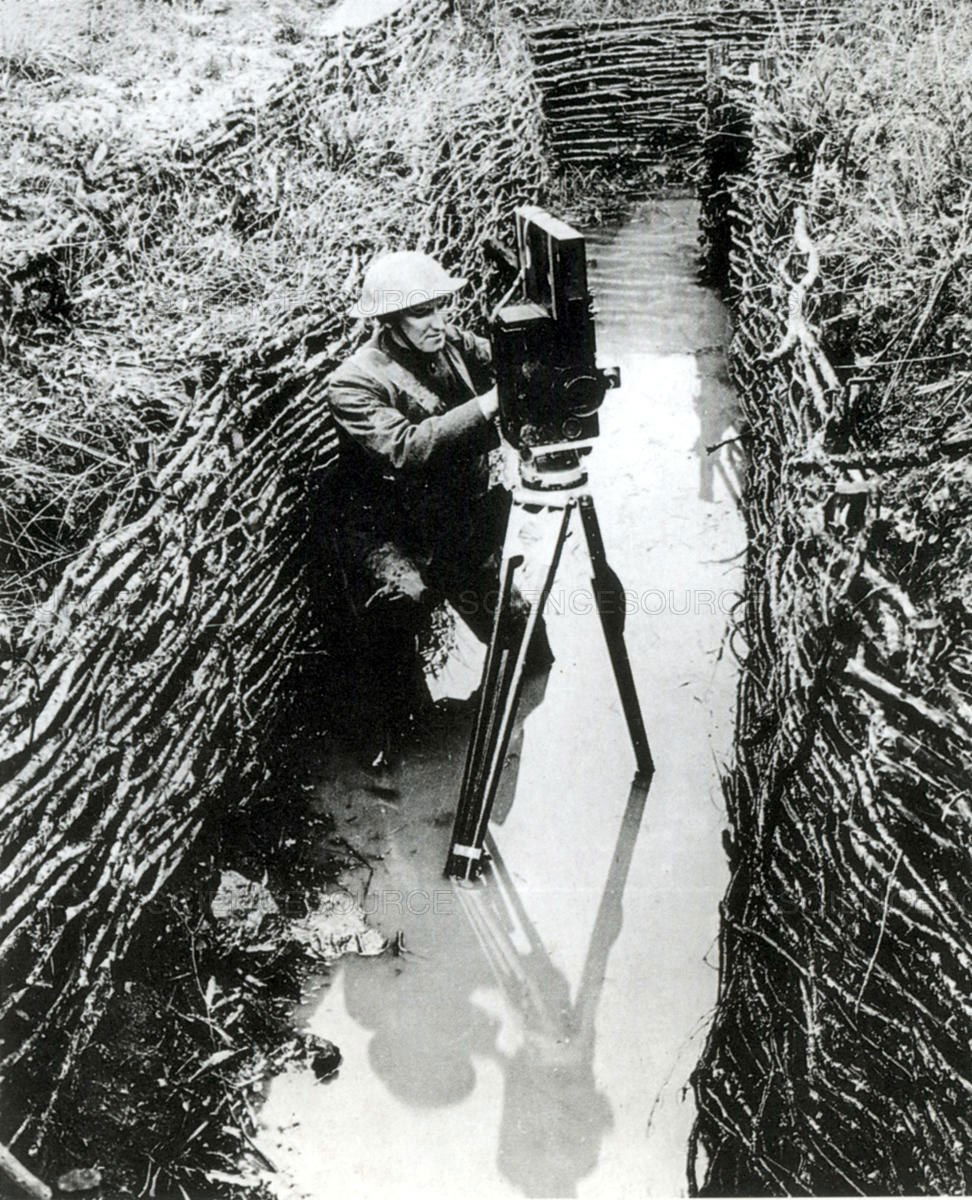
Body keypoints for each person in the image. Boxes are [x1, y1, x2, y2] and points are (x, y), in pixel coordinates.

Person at [325, 249, 550, 765]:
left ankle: (495, 743)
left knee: (529, 654)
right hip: (388, 534)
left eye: (441, 307)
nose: (438, 322)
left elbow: (508, 359)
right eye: (422, 312)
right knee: (397, 687)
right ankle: (390, 751)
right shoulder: (355, 382)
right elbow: (405, 448)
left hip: (457, 526)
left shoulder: (451, 343)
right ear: (389, 319)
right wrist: (492, 402)